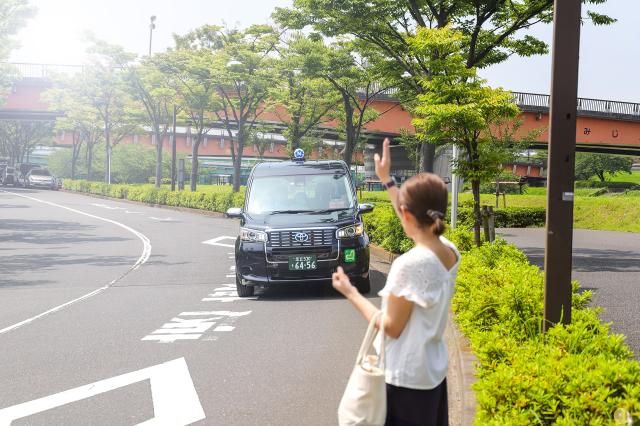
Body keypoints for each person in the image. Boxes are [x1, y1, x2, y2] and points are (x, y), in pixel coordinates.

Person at [332, 137, 460, 426]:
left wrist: (351, 292)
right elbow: (414, 223)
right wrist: (387, 181)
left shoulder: (410, 264)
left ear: (407, 214)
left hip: (404, 381)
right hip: (432, 375)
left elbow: (391, 327)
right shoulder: (449, 251)